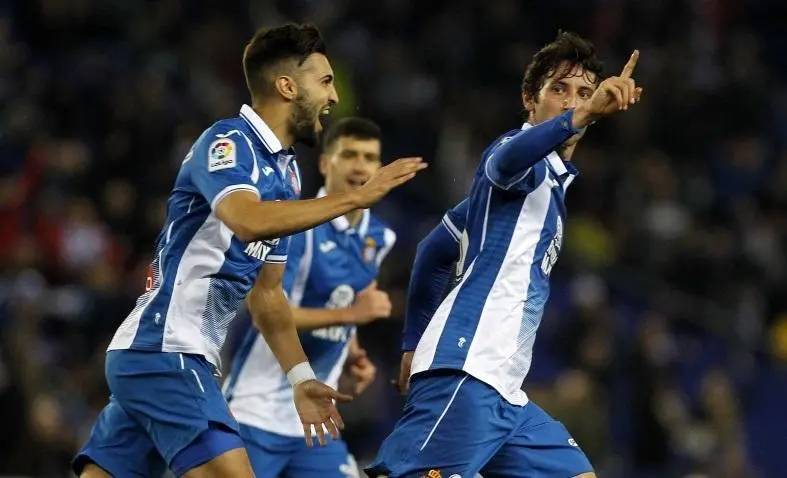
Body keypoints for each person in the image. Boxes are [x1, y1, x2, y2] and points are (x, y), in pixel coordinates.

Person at [72, 23, 427, 478]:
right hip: (167, 351)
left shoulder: (288, 176)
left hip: (163, 358)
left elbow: (268, 295)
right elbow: (246, 219)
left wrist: (301, 378)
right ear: (287, 87)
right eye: (324, 81)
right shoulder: (228, 144)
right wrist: (355, 198)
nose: (334, 96)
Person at [367, 31, 642, 478]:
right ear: (530, 99)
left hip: (505, 393)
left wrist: (413, 343)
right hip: (467, 370)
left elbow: (434, 249)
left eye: (583, 93)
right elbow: (506, 161)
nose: (573, 102)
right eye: (559, 89)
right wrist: (583, 114)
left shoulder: (540, 186)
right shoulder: (519, 158)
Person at [223, 117, 396, 477]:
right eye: (349, 155)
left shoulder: (379, 238)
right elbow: (267, 312)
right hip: (256, 413)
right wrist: (352, 315)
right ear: (324, 164)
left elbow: (343, 300)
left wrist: (352, 353)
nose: (359, 166)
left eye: (369, 157)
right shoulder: (298, 227)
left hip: (316, 421)